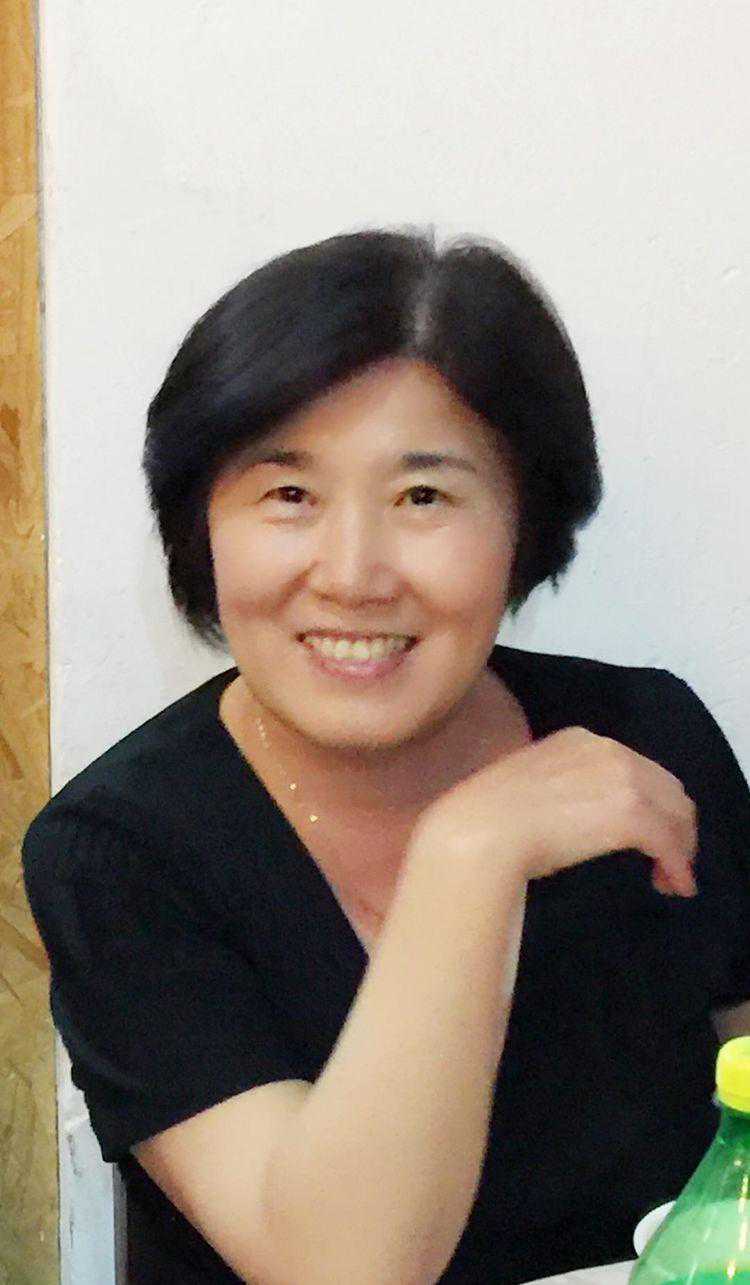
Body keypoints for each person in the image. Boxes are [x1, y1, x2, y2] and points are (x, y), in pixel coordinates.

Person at [22, 226, 750, 1285]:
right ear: (200, 528)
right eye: (289, 495)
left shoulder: (644, 741)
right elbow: (343, 1269)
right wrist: (470, 854)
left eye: (423, 497)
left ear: (522, 523)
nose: (354, 574)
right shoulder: (122, 851)